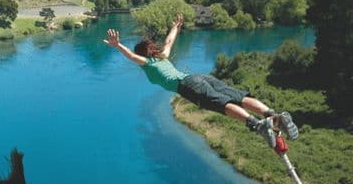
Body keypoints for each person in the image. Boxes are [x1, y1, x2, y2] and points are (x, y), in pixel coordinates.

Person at [104, 14, 299, 148]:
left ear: (142, 55)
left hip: (188, 86)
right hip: (198, 76)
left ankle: (257, 125)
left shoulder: (146, 63)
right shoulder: (162, 56)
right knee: (237, 96)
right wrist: (175, 26)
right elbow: (169, 41)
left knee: (222, 104)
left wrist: (117, 45)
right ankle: (272, 114)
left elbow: (130, 56)